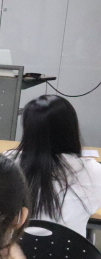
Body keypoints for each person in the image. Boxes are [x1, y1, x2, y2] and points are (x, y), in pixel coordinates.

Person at [10, 94, 101, 237]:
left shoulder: (8, 166)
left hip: (16, 250)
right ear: (71, 129)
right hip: (70, 250)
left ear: (28, 130)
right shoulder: (93, 171)